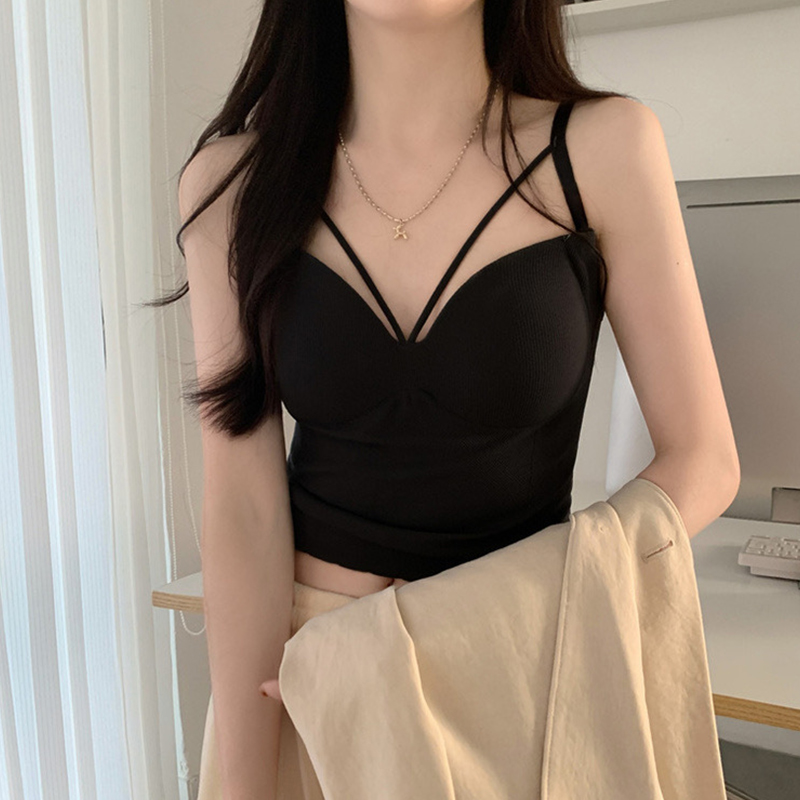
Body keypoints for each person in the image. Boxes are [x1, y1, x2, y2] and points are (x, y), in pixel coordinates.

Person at [161, 0, 740, 798]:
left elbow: (704, 461)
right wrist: (246, 784)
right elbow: (243, 511)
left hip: (519, 677)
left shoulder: (602, 148)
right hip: (315, 692)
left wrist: (453, 621)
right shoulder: (232, 185)